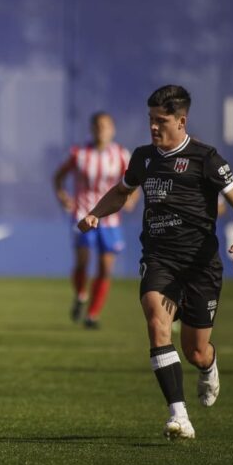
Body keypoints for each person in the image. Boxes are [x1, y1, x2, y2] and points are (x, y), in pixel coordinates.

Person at [77, 85, 233, 440]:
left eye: (161, 121)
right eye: (150, 120)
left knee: (195, 351)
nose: (153, 127)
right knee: (157, 321)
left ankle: (210, 364)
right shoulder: (144, 157)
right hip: (159, 258)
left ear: (181, 121)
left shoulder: (206, 158)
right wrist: (95, 213)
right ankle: (179, 416)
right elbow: (122, 191)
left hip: (200, 266)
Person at [53, 112, 137, 329]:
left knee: (105, 268)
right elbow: (58, 177)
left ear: (113, 129)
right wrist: (63, 196)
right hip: (82, 213)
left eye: (106, 126)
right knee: (82, 261)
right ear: (91, 129)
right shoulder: (80, 154)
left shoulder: (120, 155)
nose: (102, 130)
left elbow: (136, 182)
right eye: (98, 126)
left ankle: (92, 314)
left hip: (110, 219)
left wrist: (132, 199)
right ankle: (81, 294)